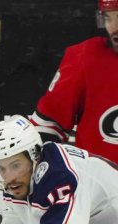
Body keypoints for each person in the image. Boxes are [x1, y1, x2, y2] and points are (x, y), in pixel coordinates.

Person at [30, 0, 118, 163]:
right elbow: (46, 126)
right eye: (108, 17)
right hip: (96, 185)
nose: (114, 27)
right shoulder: (85, 57)